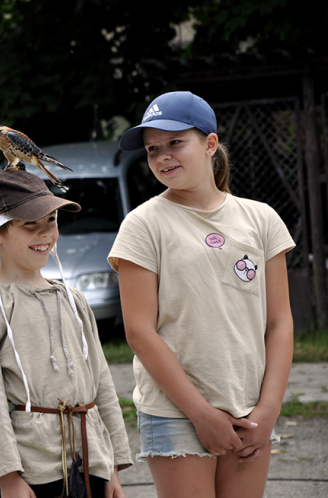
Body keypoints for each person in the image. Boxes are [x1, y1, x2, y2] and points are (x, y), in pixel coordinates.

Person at [109, 91, 294, 498]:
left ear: (210, 143)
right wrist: (202, 414)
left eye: (175, 142)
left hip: (250, 409)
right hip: (175, 411)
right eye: (152, 149)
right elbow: (140, 332)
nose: (162, 156)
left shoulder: (261, 218)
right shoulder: (142, 225)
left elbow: (279, 323)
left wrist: (268, 409)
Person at [0, 169, 131, 498]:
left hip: (91, 460)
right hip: (31, 471)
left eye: (51, 221)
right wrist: (8, 476)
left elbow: (102, 385)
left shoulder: (73, 298)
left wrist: (112, 465)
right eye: (29, 225)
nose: (45, 234)